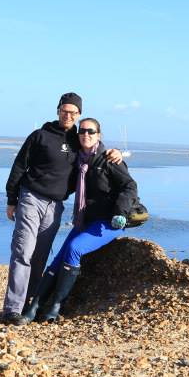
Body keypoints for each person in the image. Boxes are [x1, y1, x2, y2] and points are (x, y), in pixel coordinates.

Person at [2, 93, 121, 325]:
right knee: (23, 251)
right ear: (58, 111)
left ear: (78, 115)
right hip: (31, 198)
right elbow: (19, 165)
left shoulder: (79, 140)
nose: (68, 115)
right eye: (65, 111)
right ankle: (12, 309)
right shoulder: (40, 136)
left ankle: (30, 306)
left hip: (56, 206)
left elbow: (95, 148)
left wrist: (115, 152)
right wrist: (11, 199)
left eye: (73, 113)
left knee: (40, 256)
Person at [21, 117, 138, 323]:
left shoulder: (109, 159)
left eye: (91, 132)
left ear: (98, 136)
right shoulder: (77, 160)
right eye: (82, 131)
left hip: (109, 222)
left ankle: (56, 306)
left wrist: (120, 212)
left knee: (74, 248)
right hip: (86, 220)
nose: (86, 135)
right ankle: (35, 306)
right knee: (58, 259)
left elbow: (129, 186)